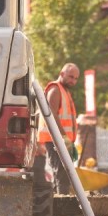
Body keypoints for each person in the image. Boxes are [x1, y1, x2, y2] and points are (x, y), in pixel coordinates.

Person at [37, 63, 79, 194]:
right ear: (62, 74)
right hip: (56, 139)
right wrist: (64, 138)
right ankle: (61, 205)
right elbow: (52, 115)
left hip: (62, 140)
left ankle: (58, 204)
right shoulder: (55, 89)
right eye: (71, 77)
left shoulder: (64, 90)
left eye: (76, 78)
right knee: (62, 174)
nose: (73, 81)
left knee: (63, 174)